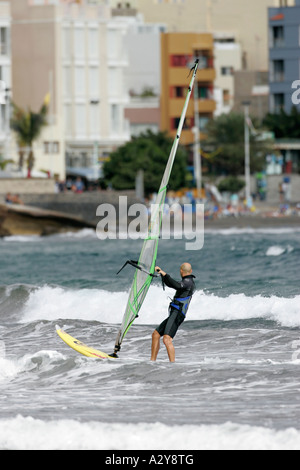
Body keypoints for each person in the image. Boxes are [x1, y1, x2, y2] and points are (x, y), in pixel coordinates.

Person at [151, 263, 196, 363]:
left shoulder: (188, 282)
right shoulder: (187, 281)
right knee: (156, 334)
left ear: (181, 271)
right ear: (191, 271)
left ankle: (172, 365)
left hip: (178, 313)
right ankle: (152, 362)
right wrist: (163, 275)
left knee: (167, 339)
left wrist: (164, 273)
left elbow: (176, 285)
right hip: (174, 312)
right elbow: (172, 284)